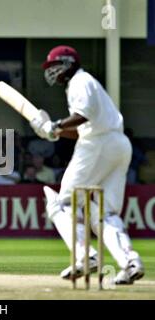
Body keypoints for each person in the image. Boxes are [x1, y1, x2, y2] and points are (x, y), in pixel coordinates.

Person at [31, 45, 144, 285]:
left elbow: (83, 117)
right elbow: (82, 127)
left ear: (67, 63)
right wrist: (54, 132)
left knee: (60, 204)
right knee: (104, 213)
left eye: (54, 66)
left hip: (98, 145)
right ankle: (130, 262)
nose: (51, 71)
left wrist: (56, 125)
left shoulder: (80, 82)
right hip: (118, 144)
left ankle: (86, 256)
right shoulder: (88, 84)